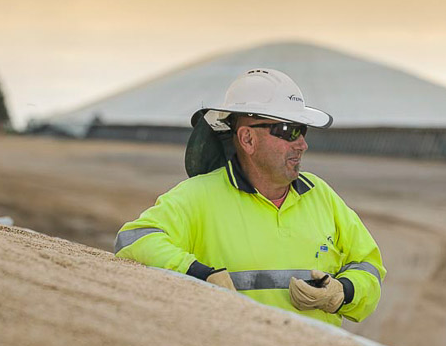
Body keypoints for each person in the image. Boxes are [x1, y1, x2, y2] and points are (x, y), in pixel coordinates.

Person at [114, 68, 385, 326]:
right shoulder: (198, 195)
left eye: (303, 130)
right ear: (247, 139)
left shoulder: (321, 195)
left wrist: (343, 292)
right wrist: (198, 275)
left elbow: (368, 265)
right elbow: (135, 240)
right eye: (289, 131)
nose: (302, 144)